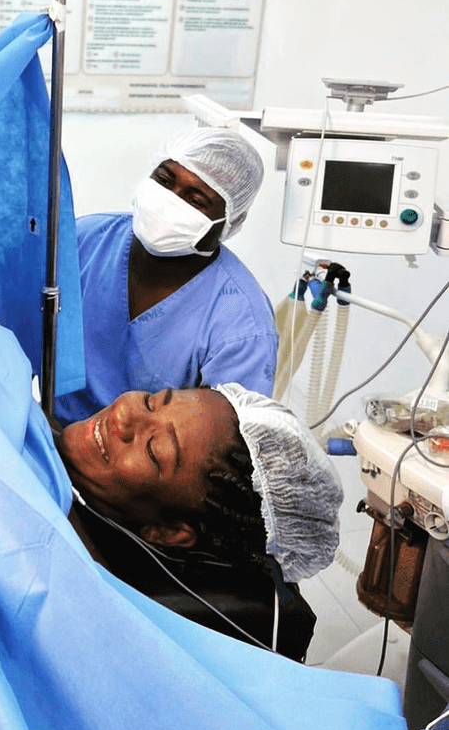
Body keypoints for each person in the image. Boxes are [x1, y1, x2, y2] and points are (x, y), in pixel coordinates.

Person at [55, 126, 279, 426]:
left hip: (138, 469)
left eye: (196, 199)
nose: (169, 201)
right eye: (164, 180)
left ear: (229, 221)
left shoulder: (241, 325)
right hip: (50, 437)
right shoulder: (83, 241)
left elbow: (222, 442)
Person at [56, 382, 343, 588]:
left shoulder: (60, 576)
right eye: (151, 401)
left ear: (168, 533)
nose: (124, 412)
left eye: (154, 450)